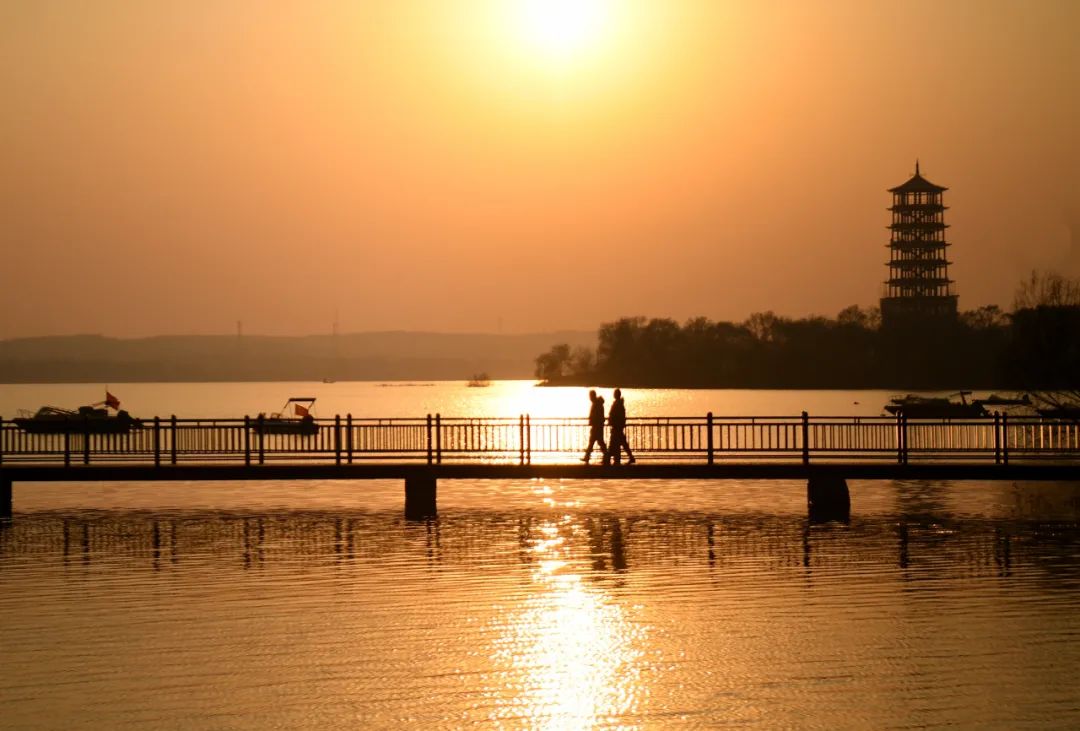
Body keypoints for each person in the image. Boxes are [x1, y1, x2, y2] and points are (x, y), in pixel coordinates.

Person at [607, 387, 635, 465]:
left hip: (617, 427)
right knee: (620, 443)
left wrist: (612, 421)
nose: (614, 395)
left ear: (616, 395)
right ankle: (616, 458)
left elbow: (616, 415)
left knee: (615, 443)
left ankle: (611, 459)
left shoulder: (618, 404)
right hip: (618, 426)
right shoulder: (619, 404)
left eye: (614, 394)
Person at [581, 389, 607, 464]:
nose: (590, 398)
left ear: (593, 396)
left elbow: (597, 416)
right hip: (597, 426)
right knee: (595, 442)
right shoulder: (597, 403)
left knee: (597, 442)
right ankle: (587, 457)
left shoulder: (597, 404)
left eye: (590, 396)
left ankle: (606, 457)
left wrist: (593, 421)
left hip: (597, 426)